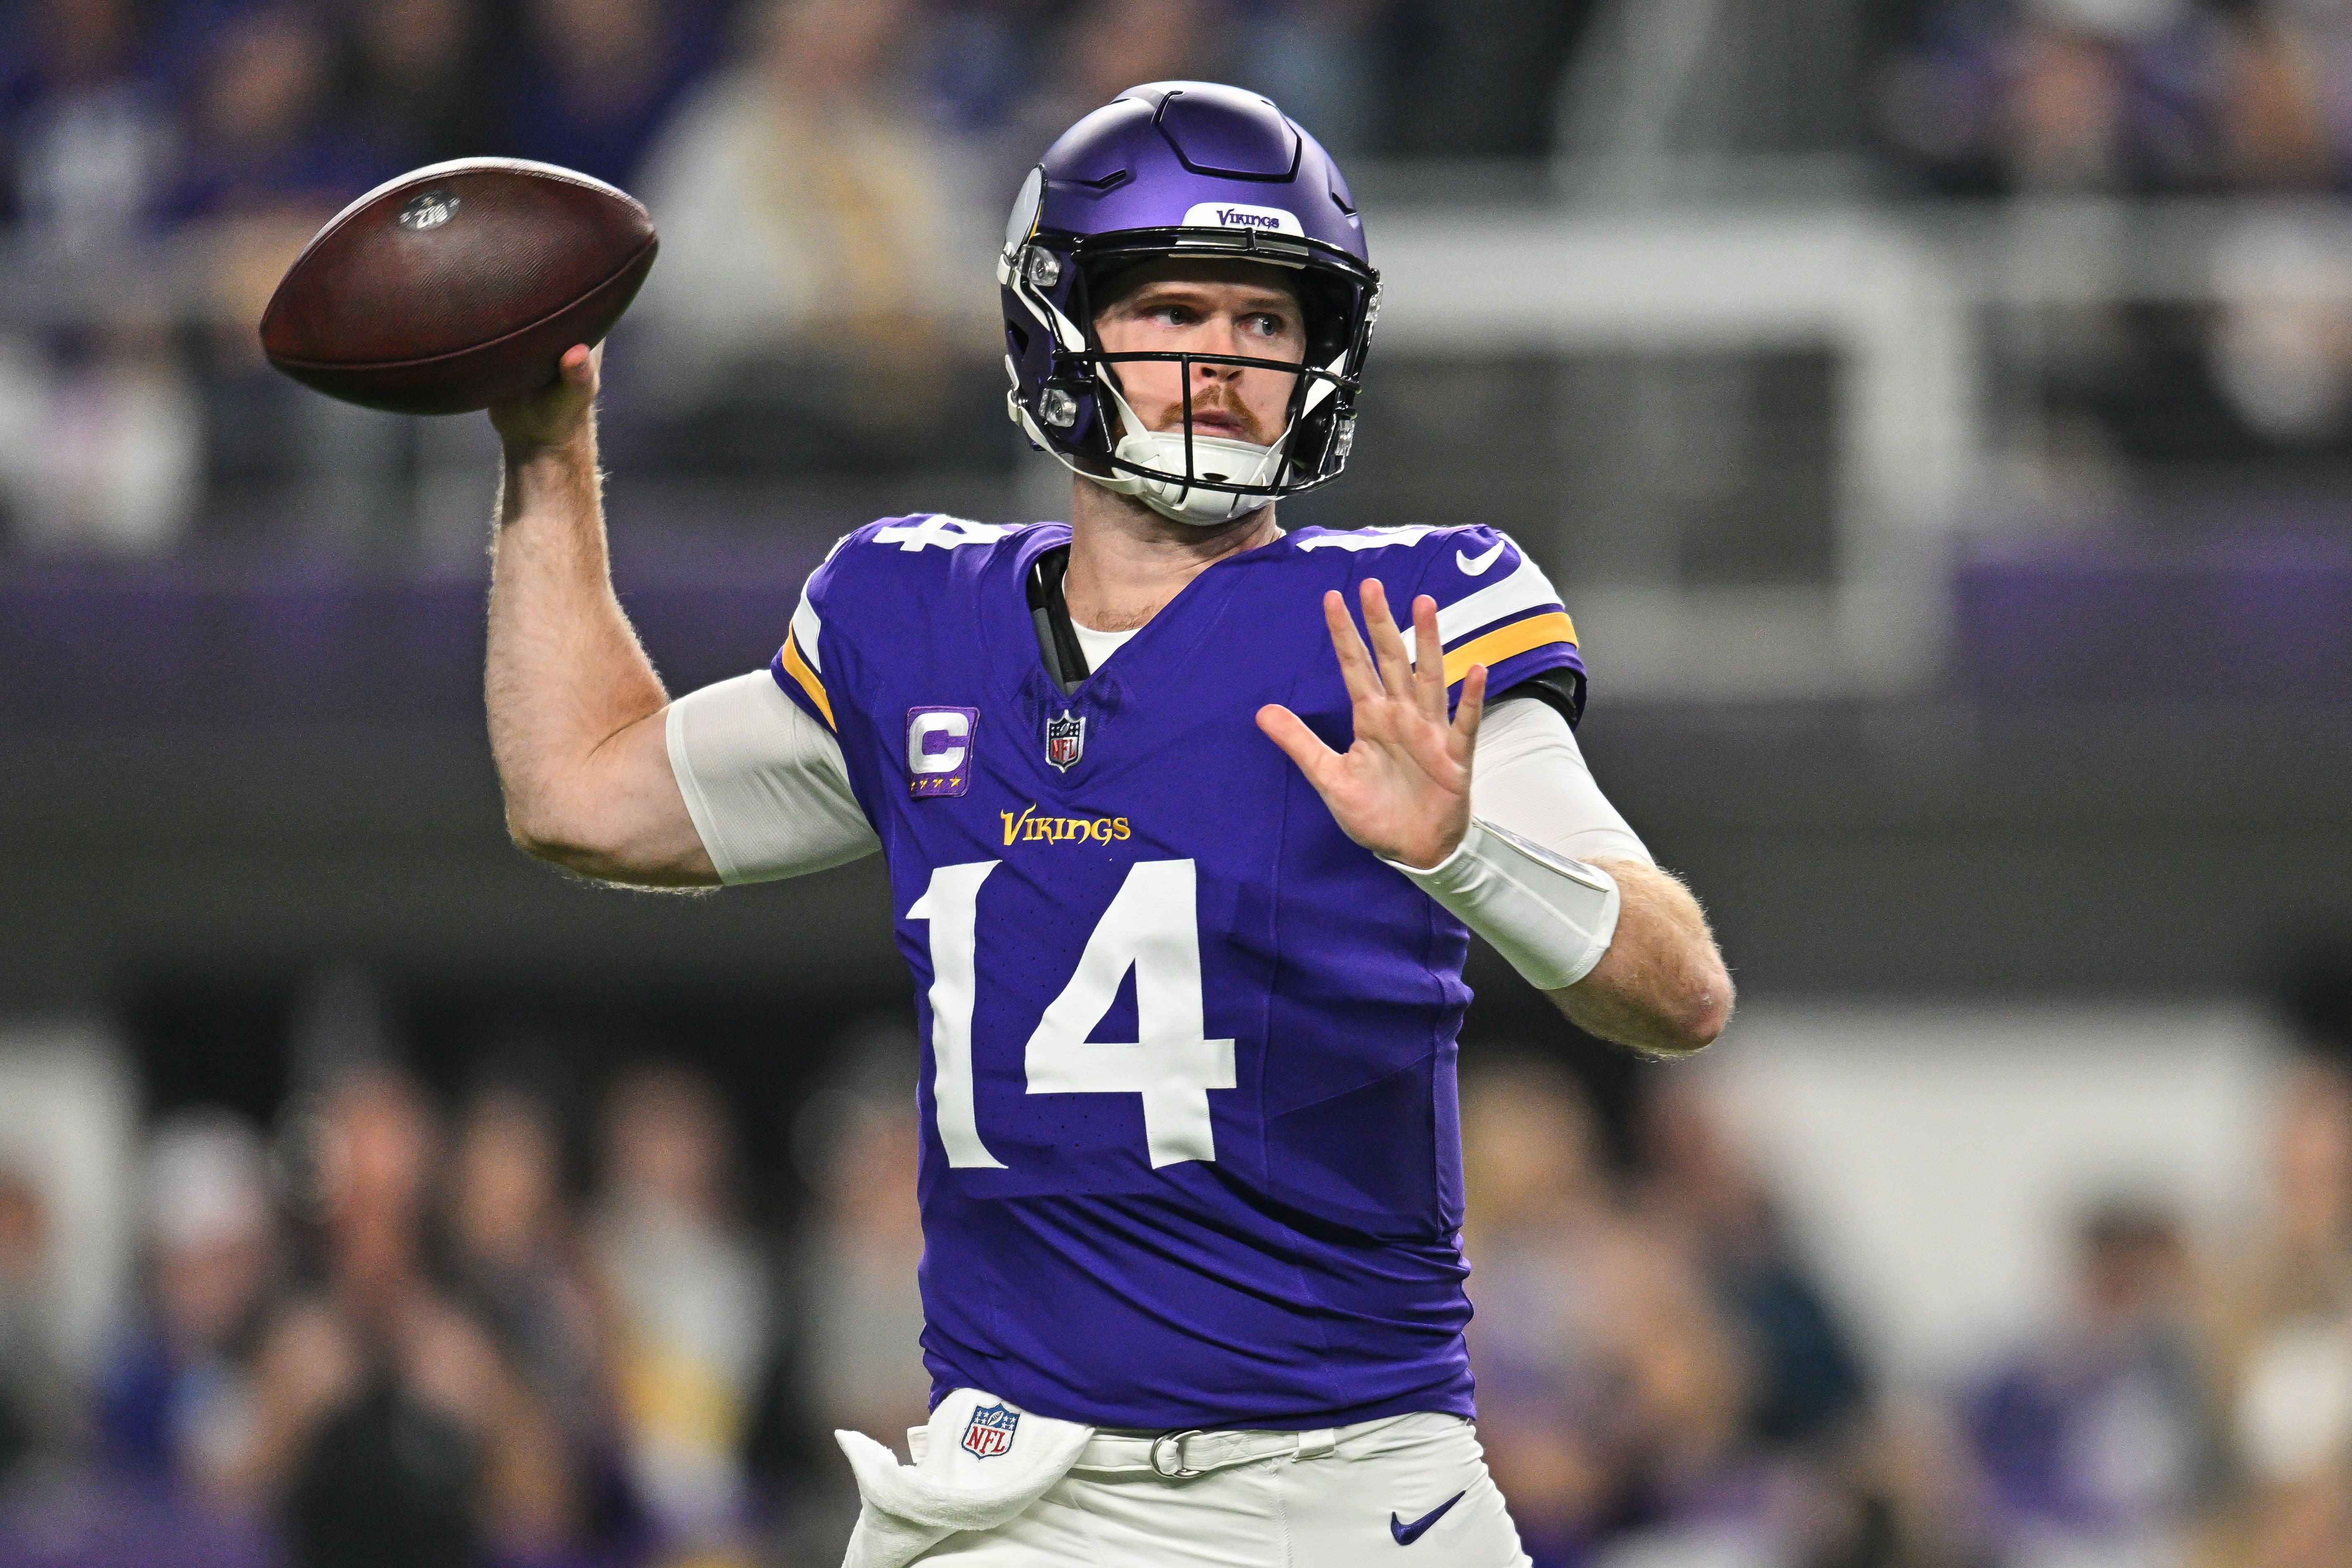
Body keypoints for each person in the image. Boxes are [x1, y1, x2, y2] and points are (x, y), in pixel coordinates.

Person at [479, 80, 1733, 1567]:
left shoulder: (1398, 627)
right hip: (1013, 1485)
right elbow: (580, 790)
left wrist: (1466, 855)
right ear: (1058, 324)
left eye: (1266, 322)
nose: (1224, 360)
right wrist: (546, 451)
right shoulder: (914, 619)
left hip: (1337, 1484)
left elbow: (1681, 991)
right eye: (1175, 310)